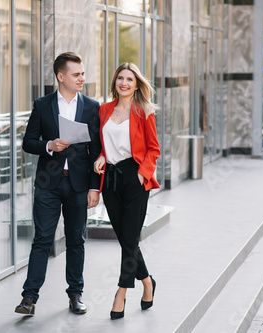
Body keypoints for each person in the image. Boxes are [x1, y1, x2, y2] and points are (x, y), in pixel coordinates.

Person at [15, 52, 101, 315]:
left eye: (83, 74)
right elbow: (28, 142)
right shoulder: (42, 105)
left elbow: (98, 150)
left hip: (78, 185)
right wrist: (49, 145)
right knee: (42, 240)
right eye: (76, 74)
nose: (82, 79)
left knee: (76, 240)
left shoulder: (91, 106)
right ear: (60, 76)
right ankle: (29, 299)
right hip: (48, 184)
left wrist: (95, 187)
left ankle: (75, 295)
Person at [93, 62, 161, 319]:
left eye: (129, 79)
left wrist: (141, 174)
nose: (124, 83)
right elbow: (103, 142)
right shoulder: (104, 110)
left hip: (135, 179)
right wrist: (101, 155)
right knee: (126, 239)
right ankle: (147, 282)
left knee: (129, 239)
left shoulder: (143, 111)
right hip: (110, 180)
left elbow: (153, 149)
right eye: (120, 78)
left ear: (136, 84)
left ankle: (121, 291)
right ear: (115, 82)